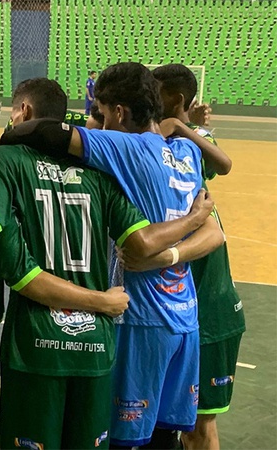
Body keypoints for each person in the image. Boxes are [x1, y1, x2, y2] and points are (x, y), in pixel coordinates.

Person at [0, 77, 218, 449]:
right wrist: (195, 220)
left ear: (23, 112)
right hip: (98, 343)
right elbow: (141, 242)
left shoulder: (8, 160)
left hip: (35, 345)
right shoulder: (102, 170)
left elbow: (7, 259)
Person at [0, 64, 226, 448]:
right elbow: (213, 225)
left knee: (126, 439)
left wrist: (10, 135)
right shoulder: (185, 152)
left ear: (118, 112)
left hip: (142, 316)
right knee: (168, 434)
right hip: (186, 318)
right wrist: (188, 227)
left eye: (100, 110)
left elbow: (46, 131)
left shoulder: (123, 147)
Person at [152, 63, 245, 450]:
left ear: (173, 100)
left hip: (210, 313)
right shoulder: (159, 147)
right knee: (169, 424)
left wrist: (185, 126)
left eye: (152, 91)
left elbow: (222, 163)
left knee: (197, 429)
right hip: (178, 311)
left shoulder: (190, 145)